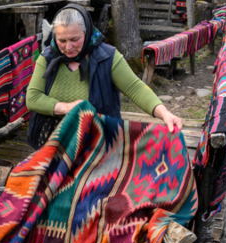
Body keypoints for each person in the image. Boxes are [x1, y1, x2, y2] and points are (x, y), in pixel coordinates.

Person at [26, 5, 183, 148]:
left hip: (98, 145)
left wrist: (165, 114)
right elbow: (32, 98)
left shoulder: (107, 57)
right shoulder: (47, 58)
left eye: (75, 39)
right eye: (62, 40)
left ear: (86, 32)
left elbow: (135, 88)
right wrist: (67, 107)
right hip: (52, 143)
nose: (68, 47)